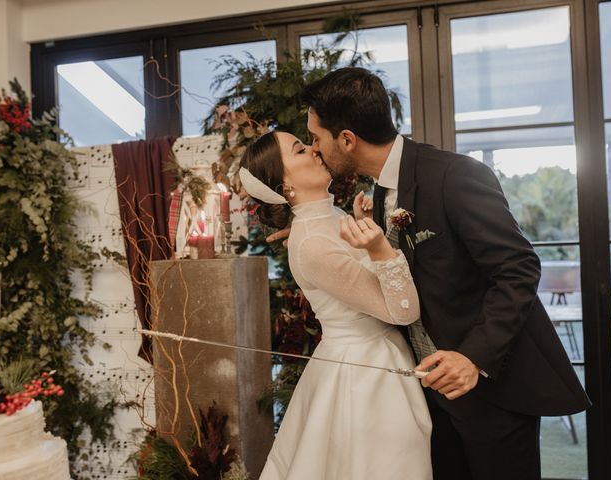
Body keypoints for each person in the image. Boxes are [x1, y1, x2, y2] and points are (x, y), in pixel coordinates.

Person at [268, 67, 591, 480]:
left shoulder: (454, 175)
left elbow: (518, 268)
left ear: (347, 139)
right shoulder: (383, 191)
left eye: (316, 137)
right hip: (431, 392)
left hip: (490, 388)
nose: (315, 148)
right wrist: (309, 227)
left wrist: (474, 358)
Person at [239, 131, 433, 480]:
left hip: (372, 354)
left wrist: (364, 230)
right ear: (284, 188)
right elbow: (401, 311)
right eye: (299, 149)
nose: (314, 149)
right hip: (365, 375)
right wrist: (378, 249)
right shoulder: (311, 241)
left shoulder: (327, 218)